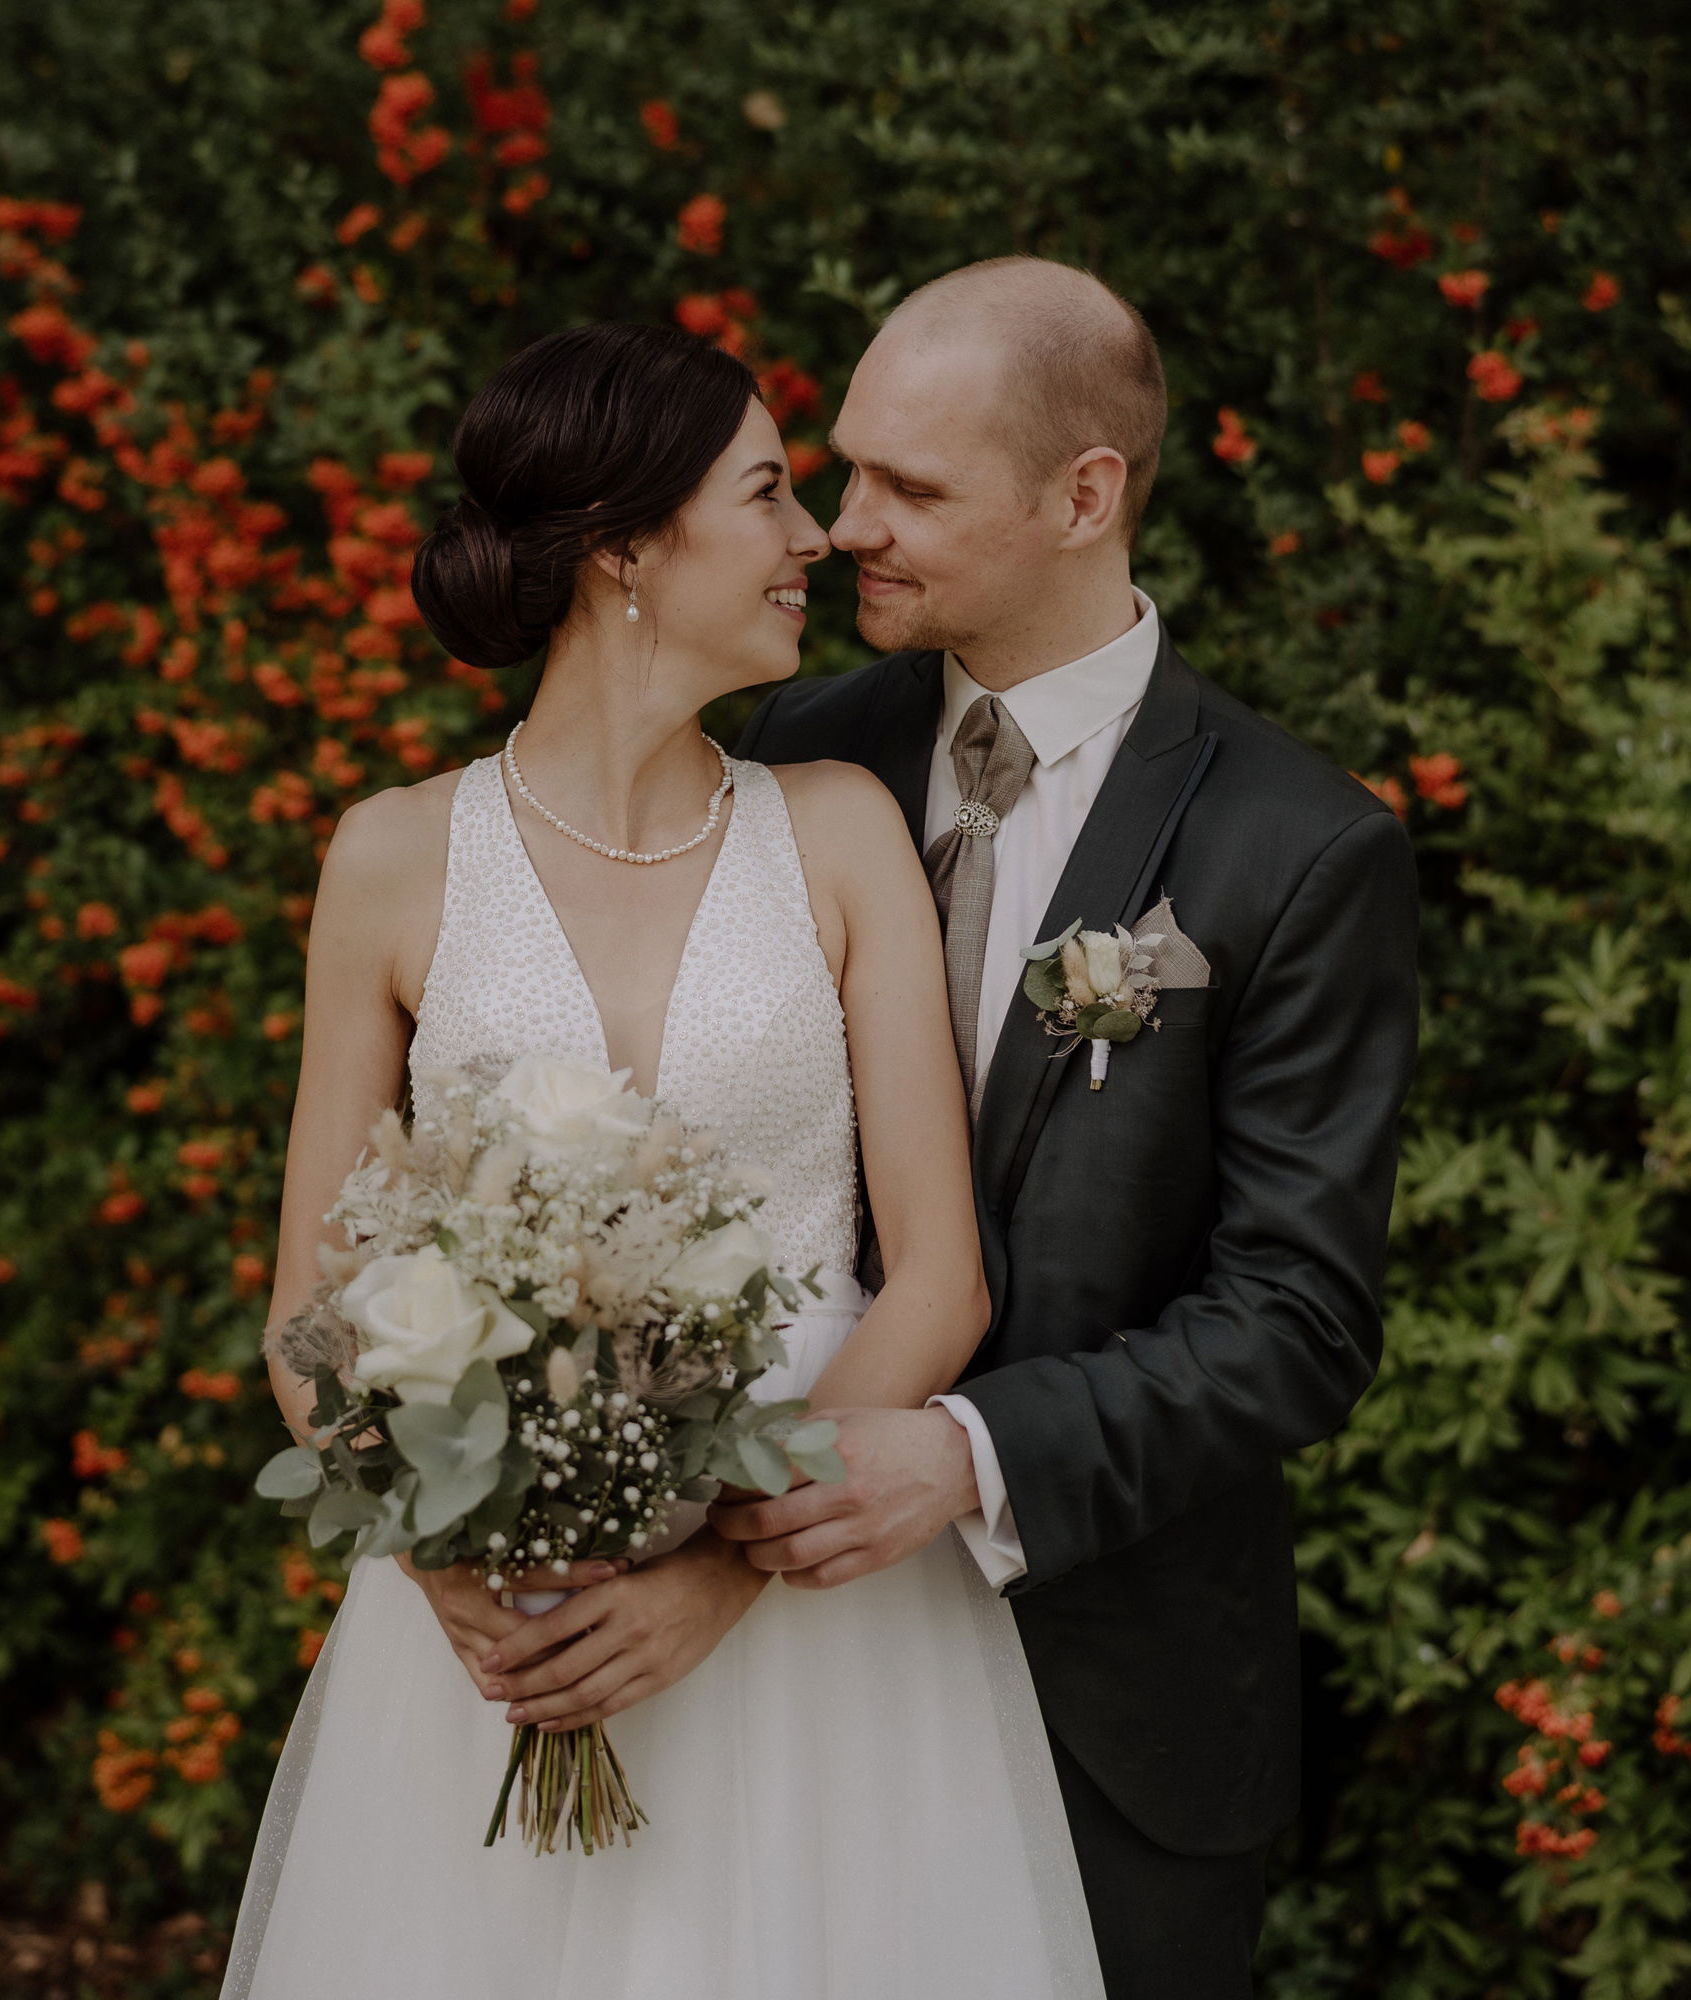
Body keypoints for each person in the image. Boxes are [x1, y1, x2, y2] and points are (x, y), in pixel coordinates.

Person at [220, 320, 1105, 2000]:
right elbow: (314, 1315)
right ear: (626, 548)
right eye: (770, 494)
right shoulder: (394, 859)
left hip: (821, 1601)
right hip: (503, 1626)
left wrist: (722, 1565)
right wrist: (443, 1558)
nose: (814, 538)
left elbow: (939, 1275)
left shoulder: (837, 828)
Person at [712, 257, 1421, 1998]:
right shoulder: (792, 761)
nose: (842, 526)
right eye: (845, 468)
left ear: (1083, 494)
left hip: (1111, 1697)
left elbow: (1300, 1321)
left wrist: (965, 1450)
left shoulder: (1298, 849)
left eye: (911, 488)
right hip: (775, 1671)